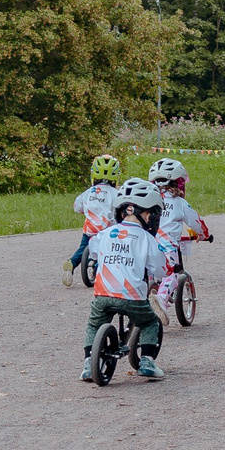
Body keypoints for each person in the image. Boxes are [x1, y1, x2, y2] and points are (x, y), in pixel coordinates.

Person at [82, 178, 170, 382]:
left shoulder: (105, 234)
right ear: (146, 214)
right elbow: (160, 268)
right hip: (132, 297)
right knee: (150, 322)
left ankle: (88, 364)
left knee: (94, 324)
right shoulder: (146, 239)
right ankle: (147, 361)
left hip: (103, 294)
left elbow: (92, 251)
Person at [153, 162, 211, 304]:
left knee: (146, 274)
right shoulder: (179, 203)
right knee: (171, 276)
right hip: (168, 246)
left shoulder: (149, 200)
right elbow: (196, 222)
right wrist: (204, 235)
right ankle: (160, 301)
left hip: (147, 243)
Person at [67, 154, 124, 285]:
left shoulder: (88, 192)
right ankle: (99, 269)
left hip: (90, 229)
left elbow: (77, 207)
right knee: (109, 250)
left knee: (83, 248)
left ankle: (72, 262)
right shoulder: (116, 193)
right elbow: (120, 208)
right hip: (107, 230)